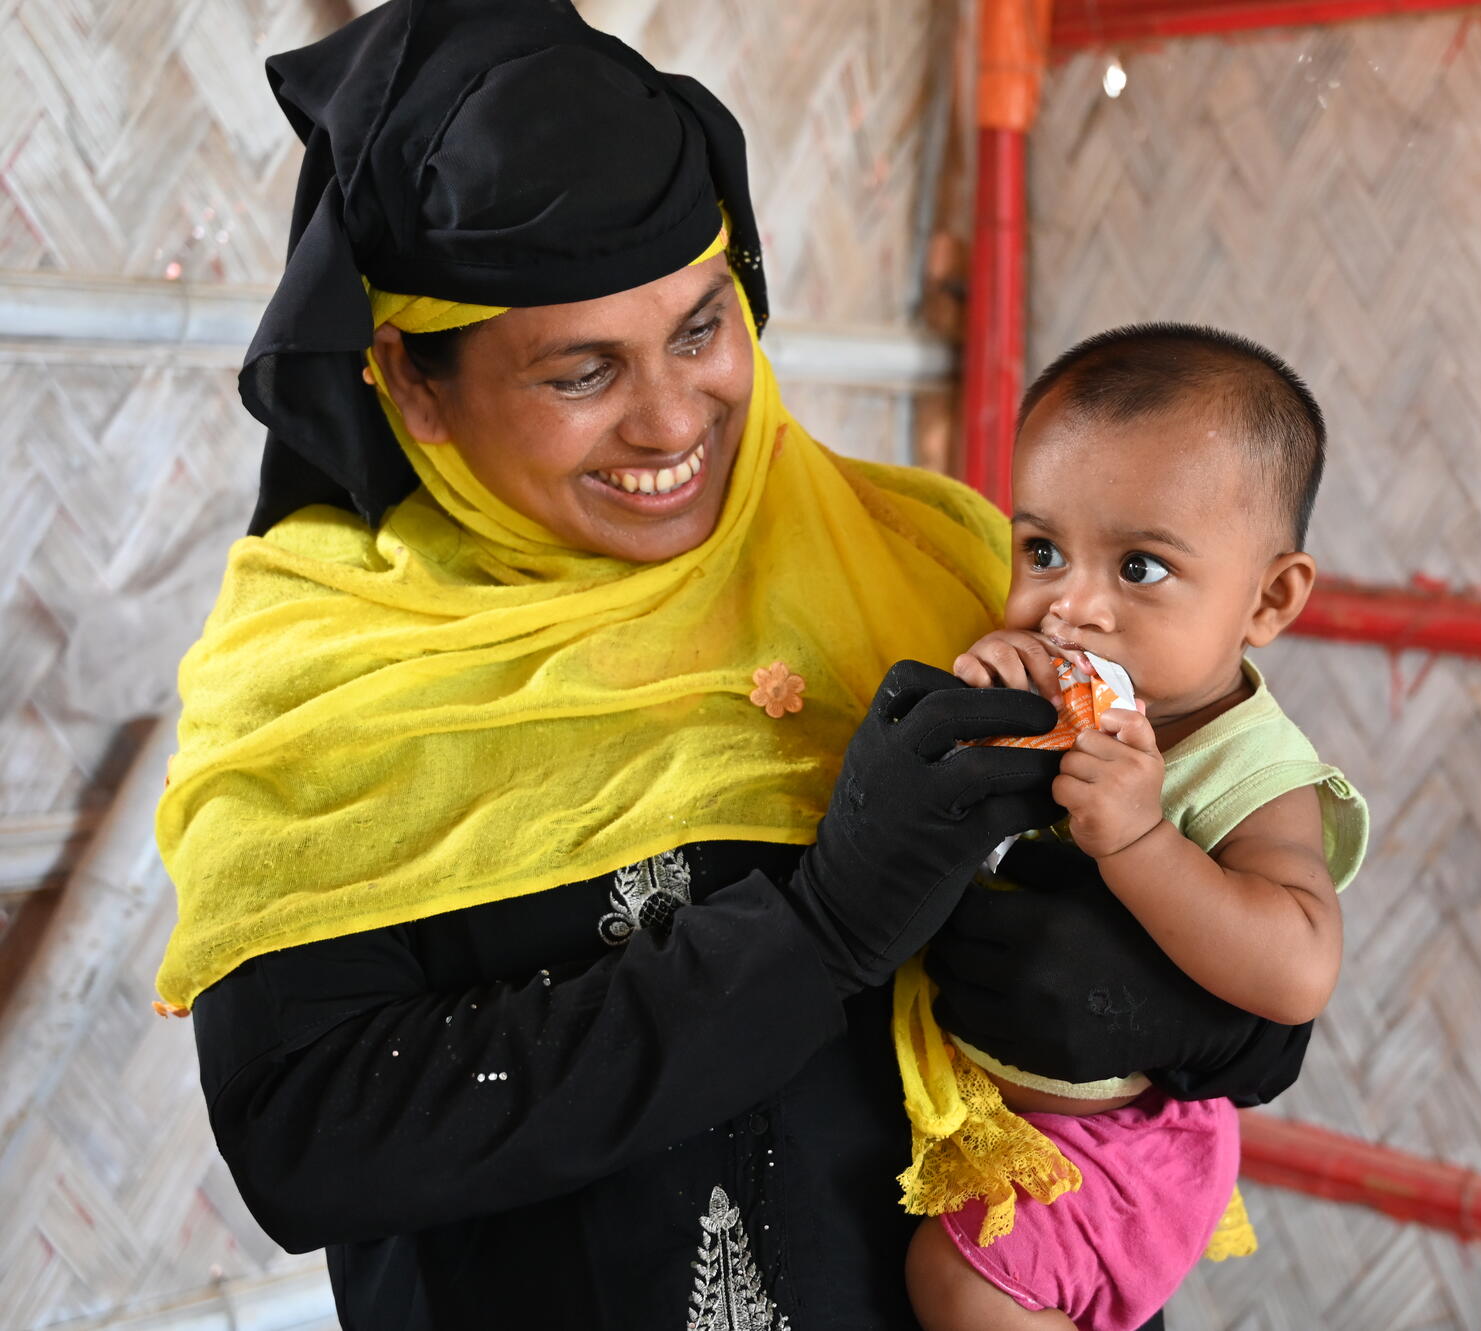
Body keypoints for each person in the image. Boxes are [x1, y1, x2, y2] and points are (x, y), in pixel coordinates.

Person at [152, 5, 1316, 1328]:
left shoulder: (940, 563)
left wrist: (1177, 1009)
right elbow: (311, 1137)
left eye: (701, 331)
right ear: (410, 383)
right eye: (582, 370)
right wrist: (812, 935)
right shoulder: (321, 670)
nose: (669, 419)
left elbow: (1257, 907)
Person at [898, 325, 1370, 1331]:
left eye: (1140, 567)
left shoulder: (1248, 767)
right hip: (980, 1110)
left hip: (1127, 1149)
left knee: (960, 1281)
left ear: (1268, 597)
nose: (1070, 607)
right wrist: (976, 694)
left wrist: (1140, 842)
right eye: (1042, 550)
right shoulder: (1052, 684)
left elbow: (1296, 967)